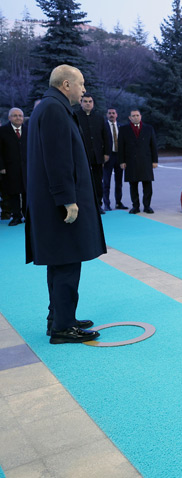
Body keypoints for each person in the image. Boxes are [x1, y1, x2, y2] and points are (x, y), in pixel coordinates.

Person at [26, 64, 104, 344]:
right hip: (59, 206)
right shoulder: (54, 110)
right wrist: (67, 200)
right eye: (81, 84)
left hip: (52, 203)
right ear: (66, 84)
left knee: (61, 263)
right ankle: (63, 327)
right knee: (67, 263)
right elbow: (58, 159)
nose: (84, 89)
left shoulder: (49, 107)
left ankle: (59, 317)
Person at [119, 109, 158, 214]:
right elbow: (121, 146)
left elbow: (153, 145)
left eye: (137, 115)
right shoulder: (123, 129)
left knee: (147, 185)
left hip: (146, 160)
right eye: (133, 116)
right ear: (130, 118)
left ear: (140, 116)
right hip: (131, 161)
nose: (135, 117)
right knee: (133, 185)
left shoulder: (149, 128)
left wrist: (155, 161)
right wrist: (122, 161)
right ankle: (135, 206)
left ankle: (147, 206)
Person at [77, 94, 109, 214]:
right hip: (81, 155)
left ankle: (98, 205)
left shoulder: (99, 118)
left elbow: (106, 136)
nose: (88, 103)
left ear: (93, 103)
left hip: (97, 156)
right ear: (81, 103)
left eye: (90, 101)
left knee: (97, 182)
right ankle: (83, 206)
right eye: (85, 101)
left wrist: (106, 153)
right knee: (82, 181)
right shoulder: (75, 116)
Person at [0, 108, 27, 226]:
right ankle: (16, 216)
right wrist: (1, 167)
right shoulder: (2, 131)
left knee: (27, 192)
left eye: (20, 116)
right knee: (13, 193)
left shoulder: (28, 130)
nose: (18, 118)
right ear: (9, 117)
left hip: (26, 168)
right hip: (10, 168)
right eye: (15, 115)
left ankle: (27, 215)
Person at [102, 108, 126, 211]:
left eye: (113, 113)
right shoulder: (103, 126)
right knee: (106, 182)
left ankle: (118, 202)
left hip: (119, 156)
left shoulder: (121, 127)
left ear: (117, 115)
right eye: (109, 113)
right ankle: (106, 204)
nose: (111, 115)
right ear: (107, 115)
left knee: (119, 182)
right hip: (108, 156)